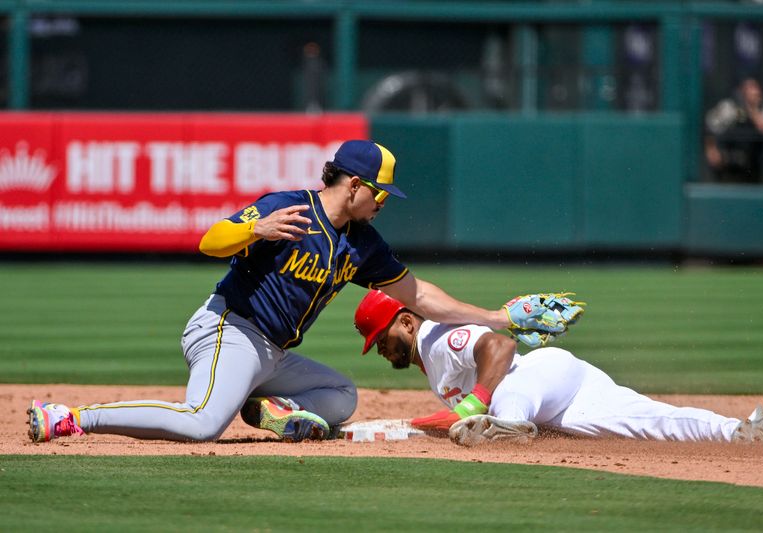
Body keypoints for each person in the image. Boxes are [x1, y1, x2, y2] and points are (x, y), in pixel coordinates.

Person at [27, 140, 521, 444]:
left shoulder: (362, 243)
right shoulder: (286, 206)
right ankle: (72, 417)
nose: (385, 201)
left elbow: (419, 294)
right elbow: (209, 241)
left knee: (341, 396)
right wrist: (255, 230)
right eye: (381, 191)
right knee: (201, 424)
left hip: (274, 355)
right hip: (230, 329)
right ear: (353, 185)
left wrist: (498, 317)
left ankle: (276, 411)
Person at [353, 290, 763, 446]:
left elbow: (500, 346)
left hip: (534, 381)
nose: (379, 350)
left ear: (406, 321)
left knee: (500, 401)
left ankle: (508, 427)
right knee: (647, 420)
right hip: (562, 395)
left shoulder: (435, 338)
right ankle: (738, 431)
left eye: (381, 338)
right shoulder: (429, 354)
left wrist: (473, 406)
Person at [704, 77, 763, 183]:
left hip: (754, 168)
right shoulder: (729, 108)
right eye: (748, 89)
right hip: (729, 165)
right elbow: (709, 127)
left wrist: (752, 109)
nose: (753, 92)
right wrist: (711, 149)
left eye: (755, 89)